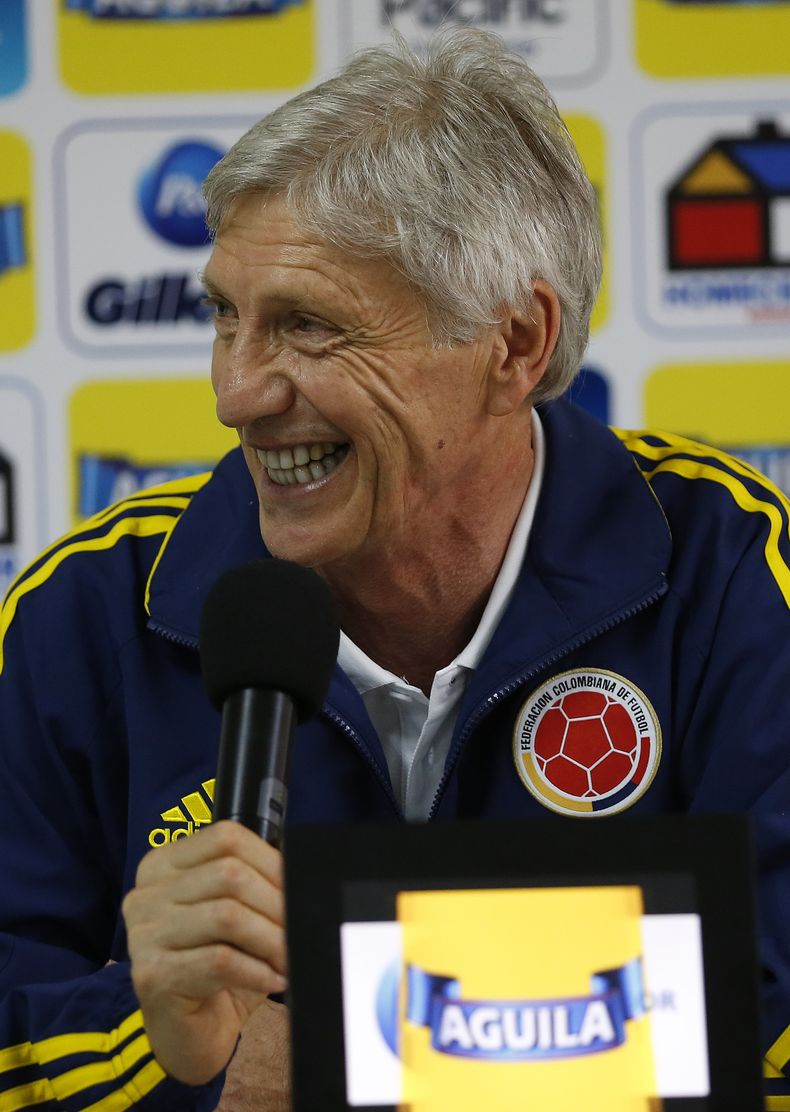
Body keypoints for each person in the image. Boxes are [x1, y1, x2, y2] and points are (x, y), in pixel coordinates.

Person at [1, 28, 789, 1112]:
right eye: (225, 315)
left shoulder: (733, 575)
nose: (235, 392)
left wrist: (342, 1055)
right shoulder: (81, 613)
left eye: (308, 327)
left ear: (513, 343)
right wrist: (163, 1046)